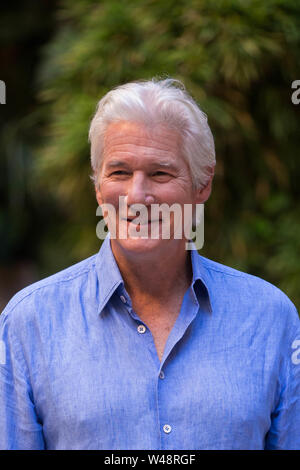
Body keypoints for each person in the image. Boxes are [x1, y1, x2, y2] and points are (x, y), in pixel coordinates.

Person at [0, 79, 299, 450]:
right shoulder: (29, 324)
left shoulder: (271, 318)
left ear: (202, 184)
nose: (137, 196)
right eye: (119, 173)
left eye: (160, 173)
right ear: (98, 187)